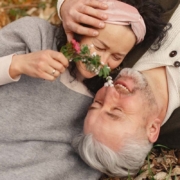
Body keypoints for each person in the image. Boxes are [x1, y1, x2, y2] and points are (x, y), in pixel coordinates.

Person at [0, 0, 168, 179]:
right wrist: (17, 64)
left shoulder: (101, 96)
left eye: (117, 56)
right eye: (100, 47)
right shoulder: (35, 37)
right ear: (79, 31)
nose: (103, 61)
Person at [72, 3, 180, 178]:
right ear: (152, 128)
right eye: (116, 111)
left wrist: (67, 6)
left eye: (97, 103)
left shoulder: (114, 48)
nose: (109, 93)